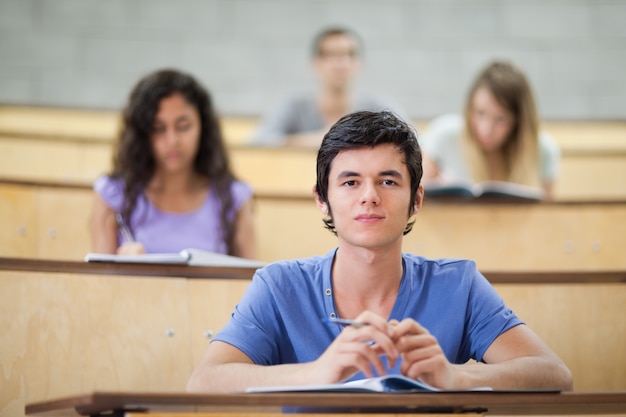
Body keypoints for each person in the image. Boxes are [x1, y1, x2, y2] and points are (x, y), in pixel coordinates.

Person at [187, 110, 572, 393]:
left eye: (388, 181)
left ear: (416, 199)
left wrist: (458, 377)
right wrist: (316, 373)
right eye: (350, 182)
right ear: (323, 200)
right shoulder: (278, 286)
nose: (369, 197)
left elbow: (554, 373)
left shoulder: (459, 284)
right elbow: (204, 381)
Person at [90, 69, 256, 258]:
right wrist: (124, 270)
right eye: (158, 129)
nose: (172, 140)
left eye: (183, 126)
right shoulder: (112, 195)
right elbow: (100, 283)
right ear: (143, 134)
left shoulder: (233, 197)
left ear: (203, 126)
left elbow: (252, 282)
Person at [421, 60, 560, 199]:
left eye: (500, 119)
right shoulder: (443, 135)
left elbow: (546, 215)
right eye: (480, 113)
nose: (486, 129)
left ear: (518, 122)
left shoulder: (543, 150)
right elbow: (417, 204)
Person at [249, 26, 401, 148]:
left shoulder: (377, 107)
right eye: (331, 55)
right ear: (315, 63)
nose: (341, 63)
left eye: (349, 54)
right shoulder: (293, 106)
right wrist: (317, 139)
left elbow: (411, 141)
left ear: (359, 63)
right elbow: (258, 142)